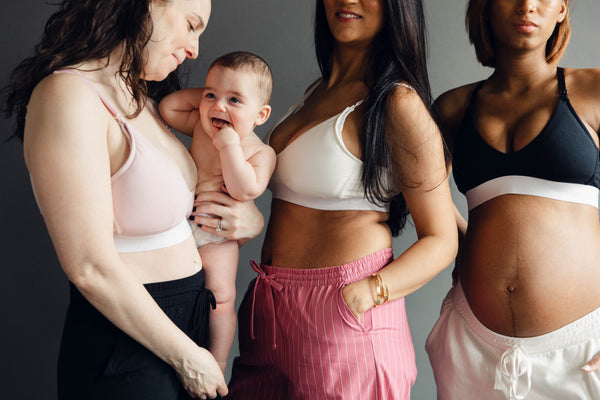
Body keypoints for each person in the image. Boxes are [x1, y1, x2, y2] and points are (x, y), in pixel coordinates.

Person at [1, 0, 264, 398]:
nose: (195, 49)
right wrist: (187, 358)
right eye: (191, 25)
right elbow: (89, 266)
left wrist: (251, 221)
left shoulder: (139, 97)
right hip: (132, 344)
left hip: (184, 326)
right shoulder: (68, 96)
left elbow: (179, 210)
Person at [224, 0, 458, 399]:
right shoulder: (317, 91)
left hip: (342, 313)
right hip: (270, 312)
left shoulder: (398, 103)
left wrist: (369, 292)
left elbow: (442, 238)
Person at [426, 0, 600, 399]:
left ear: (561, 9)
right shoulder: (452, 109)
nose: (527, 6)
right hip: (473, 346)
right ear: (485, 8)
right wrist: (467, 242)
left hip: (582, 348)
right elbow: (421, 199)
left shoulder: (592, 90)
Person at [159, 51, 276, 373]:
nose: (219, 106)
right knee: (173, 288)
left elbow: (245, 189)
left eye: (235, 100)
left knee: (220, 298)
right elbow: (168, 107)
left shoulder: (260, 152)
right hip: (180, 224)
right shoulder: (201, 124)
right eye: (211, 94)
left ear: (260, 114)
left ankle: (218, 359)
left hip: (218, 235)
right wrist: (215, 98)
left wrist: (229, 146)